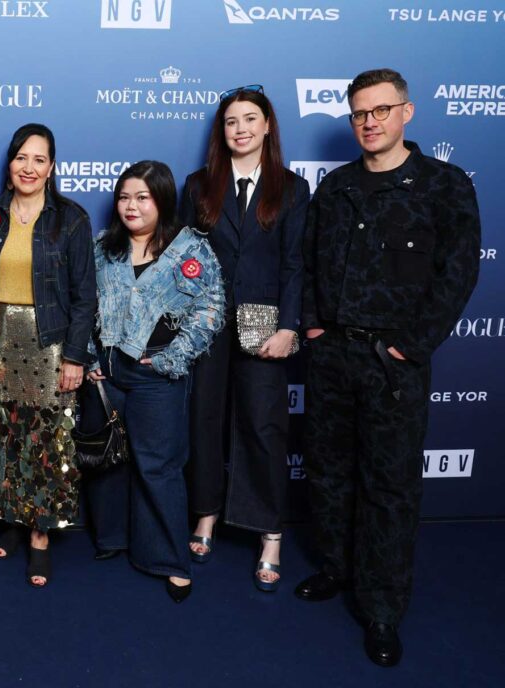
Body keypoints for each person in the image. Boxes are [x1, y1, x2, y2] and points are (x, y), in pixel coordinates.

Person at [296, 68, 480, 667]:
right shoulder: (337, 188)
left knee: (390, 488)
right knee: (328, 473)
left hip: (393, 366)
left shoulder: (443, 186)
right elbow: (309, 260)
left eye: (380, 111)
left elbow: (458, 275)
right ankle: (336, 568)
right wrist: (316, 328)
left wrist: (412, 346)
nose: (369, 123)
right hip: (333, 358)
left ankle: (380, 608)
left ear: (407, 112)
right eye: (359, 114)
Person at [178, 85, 310, 592]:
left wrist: (289, 329)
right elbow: (183, 264)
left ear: (268, 126)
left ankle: (270, 534)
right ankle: (206, 514)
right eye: (231, 121)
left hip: (264, 327)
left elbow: (296, 266)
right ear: (222, 130)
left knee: (264, 428)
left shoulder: (293, 190)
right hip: (207, 326)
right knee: (205, 421)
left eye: (250, 119)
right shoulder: (197, 187)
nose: (241, 129)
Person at [86, 161, 225, 603]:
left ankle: (167, 558)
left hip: (155, 374)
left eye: (142, 197)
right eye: (124, 197)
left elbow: (211, 310)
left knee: (158, 465)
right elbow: (81, 304)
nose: (131, 206)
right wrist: (88, 356)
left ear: (162, 200)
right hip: (106, 371)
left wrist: (172, 359)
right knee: (107, 459)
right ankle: (112, 538)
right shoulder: (103, 248)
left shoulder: (189, 250)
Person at [0, 123, 96, 587]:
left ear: (52, 168)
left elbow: (85, 297)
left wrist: (75, 357)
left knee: (48, 441)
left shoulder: (72, 219)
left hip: (51, 344)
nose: (29, 167)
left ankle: (40, 535)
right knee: (3, 433)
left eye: (39, 159)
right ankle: (12, 516)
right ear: (10, 163)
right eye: (22, 157)